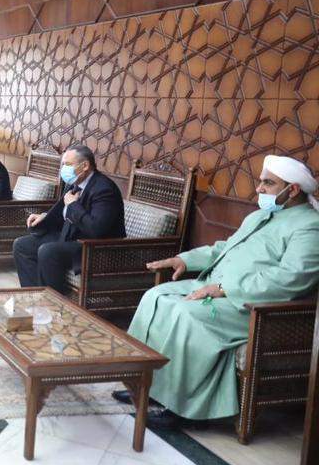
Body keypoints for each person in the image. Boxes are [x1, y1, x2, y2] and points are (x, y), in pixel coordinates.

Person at [115, 155, 319, 422]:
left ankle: (180, 407)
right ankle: (145, 385)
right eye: (261, 181)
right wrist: (184, 260)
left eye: (268, 183)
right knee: (155, 296)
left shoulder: (310, 227)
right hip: (214, 287)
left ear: (292, 190)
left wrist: (225, 288)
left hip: (250, 305)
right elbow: (224, 248)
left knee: (186, 314)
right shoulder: (260, 215)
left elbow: (292, 278)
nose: (259, 189)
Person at [12, 144, 125, 293]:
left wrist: (73, 205)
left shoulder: (104, 189)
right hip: (69, 237)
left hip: (94, 247)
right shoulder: (74, 182)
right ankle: (36, 295)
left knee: (48, 251)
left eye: (68, 164)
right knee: (22, 245)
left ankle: (54, 302)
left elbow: (96, 229)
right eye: (63, 164)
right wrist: (45, 216)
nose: (64, 169)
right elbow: (63, 212)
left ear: (85, 166)